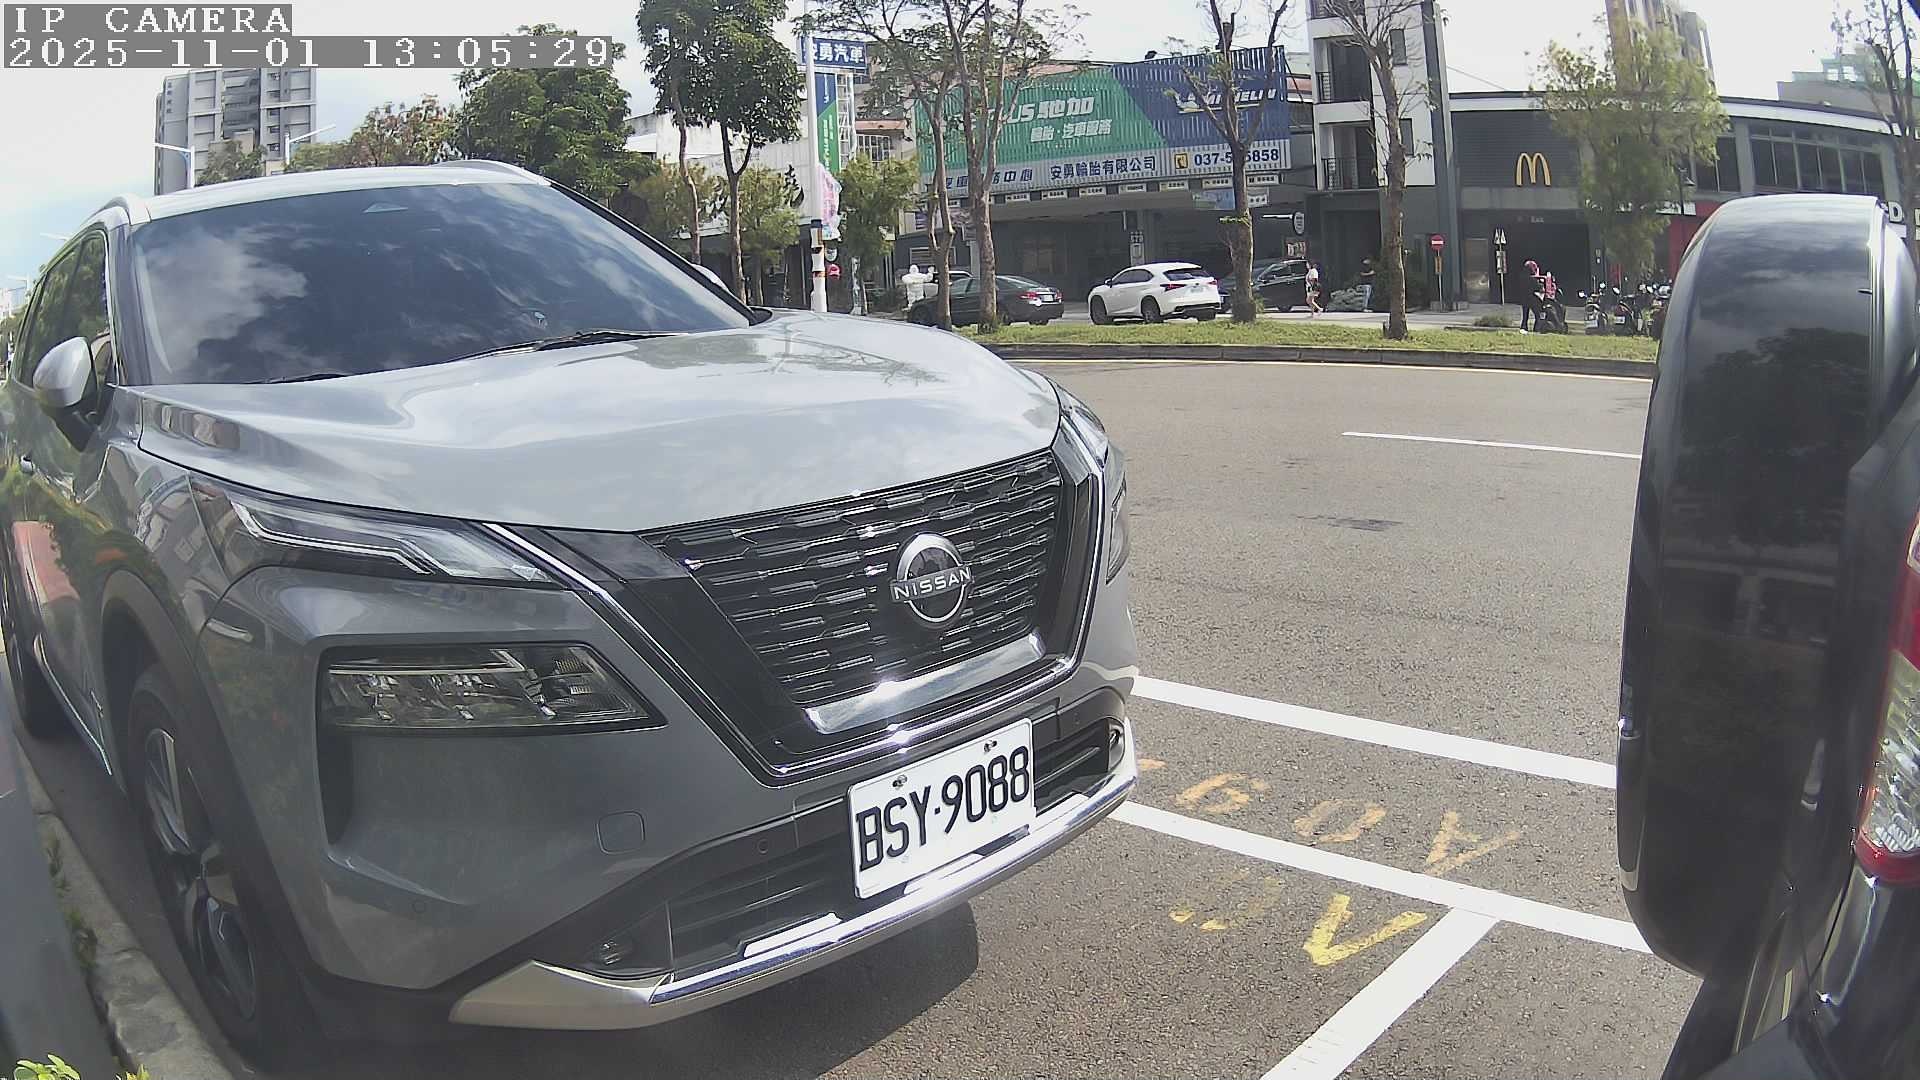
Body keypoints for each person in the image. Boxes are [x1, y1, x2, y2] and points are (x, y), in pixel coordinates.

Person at [1519, 258, 1546, 333]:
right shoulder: (1532, 278)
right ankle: (1537, 329)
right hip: (1532, 298)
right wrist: (1539, 279)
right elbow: (1538, 287)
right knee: (1538, 315)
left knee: (1525, 316)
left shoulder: (1522, 277)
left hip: (1524, 298)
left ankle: (1524, 327)